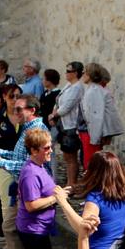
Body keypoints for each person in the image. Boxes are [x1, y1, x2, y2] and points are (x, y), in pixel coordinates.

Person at [5, 128, 59, 249]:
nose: (50, 151)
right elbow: (31, 205)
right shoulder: (30, 173)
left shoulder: (40, 167)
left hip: (39, 228)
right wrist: (55, 198)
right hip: (33, 229)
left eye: (50, 147)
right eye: (46, 148)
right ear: (34, 150)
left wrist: (59, 192)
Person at [0, 94, 47, 249]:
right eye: (14, 109)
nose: (16, 112)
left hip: (32, 189)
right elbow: (20, 156)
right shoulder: (27, 128)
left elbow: (32, 166)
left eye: (20, 109)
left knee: (27, 234)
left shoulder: (37, 131)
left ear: (32, 110)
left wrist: (1, 162)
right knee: (11, 228)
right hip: (22, 188)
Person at [79, 63, 124, 169]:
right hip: (87, 132)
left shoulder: (94, 91)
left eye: (85, 72)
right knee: (89, 161)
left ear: (90, 75)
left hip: (90, 133)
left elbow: (95, 116)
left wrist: (95, 138)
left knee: (91, 163)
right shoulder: (92, 89)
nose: (83, 74)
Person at [48, 62, 84, 190]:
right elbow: (58, 101)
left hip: (71, 124)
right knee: (66, 155)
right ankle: (70, 182)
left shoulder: (77, 87)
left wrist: (54, 115)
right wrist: (53, 113)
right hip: (63, 124)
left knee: (71, 155)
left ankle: (72, 183)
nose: (66, 73)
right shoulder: (69, 85)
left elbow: (67, 106)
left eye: (68, 71)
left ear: (75, 73)